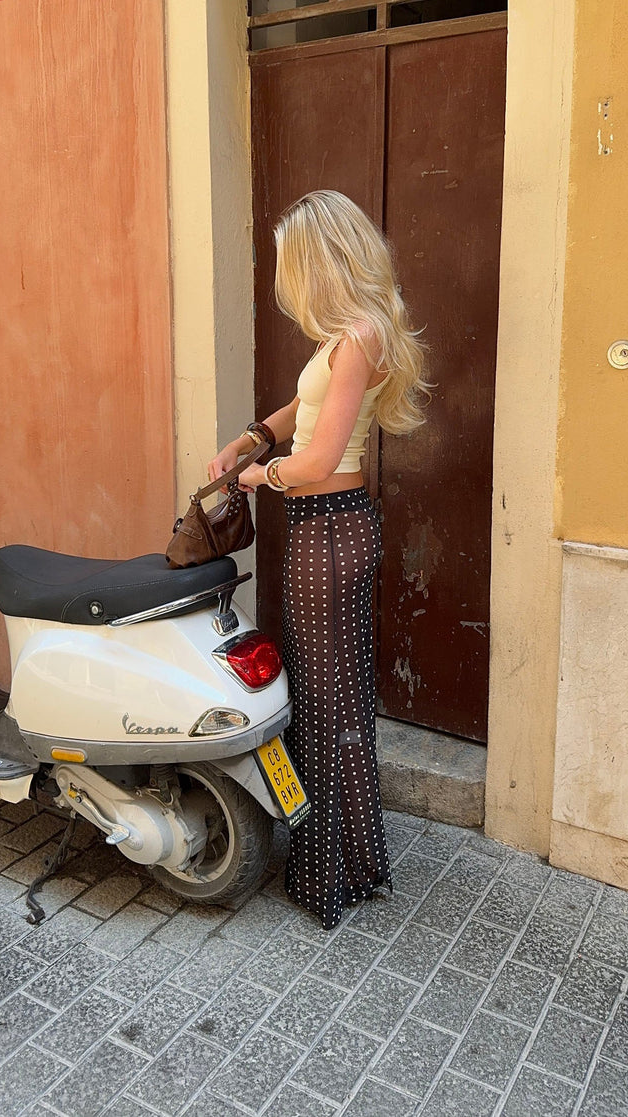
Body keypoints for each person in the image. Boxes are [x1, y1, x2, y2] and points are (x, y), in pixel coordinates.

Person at [207, 189, 429, 930]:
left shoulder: (358, 336)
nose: (288, 280)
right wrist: (249, 438)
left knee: (327, 703)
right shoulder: (351, 334)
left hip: (327, 530)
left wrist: (258, 476)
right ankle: (351, 859)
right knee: (333, 696)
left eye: (293, 263)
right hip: (327, 531)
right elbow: (302, 412)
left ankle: (330, 872)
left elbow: (320, 458)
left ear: (320, 260)